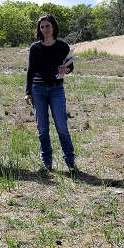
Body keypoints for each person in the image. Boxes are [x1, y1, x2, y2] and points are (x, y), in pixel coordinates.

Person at [24, 14, 77, 174]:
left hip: (56, 89)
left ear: (53, 27)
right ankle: (46, 162)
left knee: (62, 126)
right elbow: (30, 70)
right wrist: (27, 92)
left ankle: (70, 161)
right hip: (38, 89)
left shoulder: (62, 47)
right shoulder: (35, 47)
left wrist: (65, 70)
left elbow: (71, 66)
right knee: (42, 128)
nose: (45, 29)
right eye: (42, 27)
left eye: (47, 26)